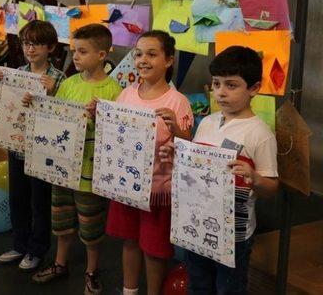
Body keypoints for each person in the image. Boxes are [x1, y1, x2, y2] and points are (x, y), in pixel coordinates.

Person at [160, 46, 279, 295]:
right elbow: (198, 164)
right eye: (216, 84)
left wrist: (255, 177)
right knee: (198, 284)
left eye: (231, 85)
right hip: (197, 222)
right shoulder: (208, 123)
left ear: (254, 88)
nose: (221, 93)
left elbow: (271, 187)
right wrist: (178, 154)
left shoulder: (260, 134)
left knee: (229, 289)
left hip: (233, 233)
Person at [29, 24, 122, 295]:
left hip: (90, 171)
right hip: (62, 167)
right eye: (74, 51)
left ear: (102, 54)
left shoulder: (114, 91)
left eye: (82, 52)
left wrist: (100, 117)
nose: (76, 57)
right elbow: (54, 117)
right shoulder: (68, 84)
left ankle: (92, 270)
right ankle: (60, 263)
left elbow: (117, 134)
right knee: (61, 219)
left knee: (91, 225)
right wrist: (35, 102)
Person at [104, 31, 193, 295]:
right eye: (139, 53)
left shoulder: (177, 101)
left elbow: (188, 144)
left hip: (157, 189)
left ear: (169, 61)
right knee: (130, 241)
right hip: (127, 185)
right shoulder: (127, 93)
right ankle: (129, 290)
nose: (143, 60)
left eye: (152, 54)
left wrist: (177, 129)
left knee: (154, 249)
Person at [0, 20, 66, 271]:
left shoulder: (57, 77)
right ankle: (20, 244)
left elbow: (64, 115)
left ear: (51, 47)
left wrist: (54, 92)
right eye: (26, 43)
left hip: (42, 150)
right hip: (17, 146)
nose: (30, 49)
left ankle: (37, 249)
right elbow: (4, 102)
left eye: (37, 44)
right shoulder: (17, 72)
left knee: (40, 202)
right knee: (17, 197)